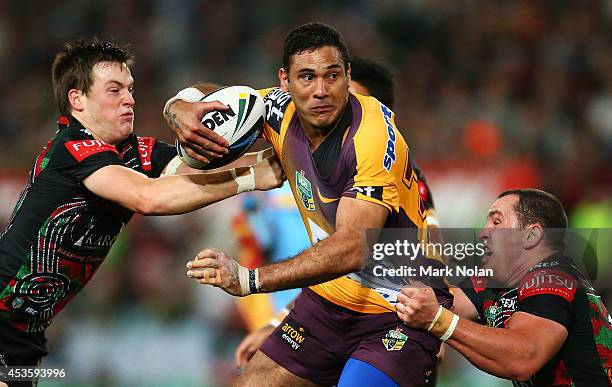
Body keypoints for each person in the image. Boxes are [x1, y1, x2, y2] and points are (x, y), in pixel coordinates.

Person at [166, 23, 451, 386]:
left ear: (348, 80)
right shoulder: (279, 110)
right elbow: (220, 97)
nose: (320, 91)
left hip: (396, 312)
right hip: (327, 305)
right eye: (307, 77)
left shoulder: (374, 139)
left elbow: (353, 249)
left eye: (332, 77)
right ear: (285, 81)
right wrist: (177, 107)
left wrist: (249, 280)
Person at [0, 38, 283, 386]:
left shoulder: (135, 151)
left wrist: (275, 158)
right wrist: (252, 178)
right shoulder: (72, 147)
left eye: (130, 89)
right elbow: (147, 198)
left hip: (24, 333)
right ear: (78, 99)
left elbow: (195, 173)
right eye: (114, 90)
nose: (129, 100)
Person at [232, 58, 444, 383]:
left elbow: (434, 268)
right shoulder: (302, 166)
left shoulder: (406, 186)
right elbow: (327, 271)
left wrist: (441, 326)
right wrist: (277, 322)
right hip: (322, 317)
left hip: (389, 328)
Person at [396, 188, 612, 386]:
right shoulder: (491, 280)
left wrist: (437, 321)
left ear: (531, 235)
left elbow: (522, 359)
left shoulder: (554, 280)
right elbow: (434, 302)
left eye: (496, 223)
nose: (483, 232)